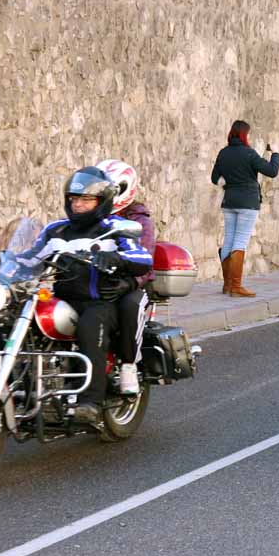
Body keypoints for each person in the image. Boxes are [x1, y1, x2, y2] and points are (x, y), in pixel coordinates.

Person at [21, 167, 153, 422]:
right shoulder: (55, 230)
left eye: (85, 200)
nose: (78, 205)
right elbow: (30, 259)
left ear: (101, 202)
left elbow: (142, 257)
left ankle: (90, 402)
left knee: (90, 326)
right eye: (74, 199)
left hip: (100, 302)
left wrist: (114, 257)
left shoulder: (115, 227)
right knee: (21, 318)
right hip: (63, 301)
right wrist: (4, 260)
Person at [95, 159, 156, 396]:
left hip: (133, 284)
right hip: (97, 281)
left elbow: (146, 262)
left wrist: (129, 283)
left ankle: (129, 366)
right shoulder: (91, 215)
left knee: (129, 306)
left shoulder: (140, 222)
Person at [210, 120, 279, 298]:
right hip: (247, 203)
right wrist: (276, 153)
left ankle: (227, 285)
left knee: (229, 240)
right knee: (240, 241)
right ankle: (236, 286)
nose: (249, 137)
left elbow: (214, 178)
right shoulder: (249, 154)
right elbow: (272, 171)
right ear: (244, 135)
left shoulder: (224, 153)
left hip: (229, 201)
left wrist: (228, 184)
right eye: (248, 134)